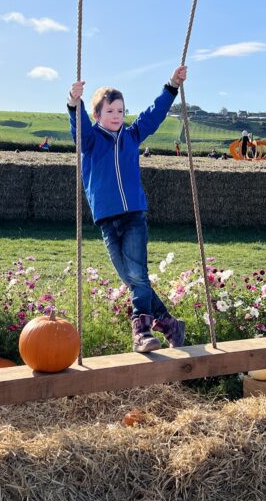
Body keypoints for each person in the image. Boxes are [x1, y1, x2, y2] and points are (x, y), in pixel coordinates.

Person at [68, 67, 189, 354]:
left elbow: (154, 113)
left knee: (137, 276)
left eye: (121, 110)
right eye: (110, 110)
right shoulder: (92, 140)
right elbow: (79, 127)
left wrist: (172, 85)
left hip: (134, 215)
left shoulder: (132, 135)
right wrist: (75, 103)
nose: (117, 116)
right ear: (97, 115)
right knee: (132, 279)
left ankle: (141, 330)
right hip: (107, 220)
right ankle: (170, 324)